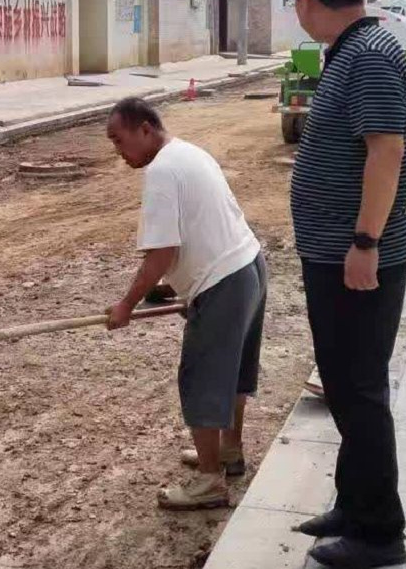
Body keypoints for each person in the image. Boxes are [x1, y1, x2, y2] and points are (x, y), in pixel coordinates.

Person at [288, 0, 406, 568]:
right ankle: (353, 501)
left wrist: (365, 242)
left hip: (357, 258)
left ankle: (379, 533)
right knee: (345, 385)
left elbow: (386, 151)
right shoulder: (352, 50)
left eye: (294, 0)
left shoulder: (369, 55)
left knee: (359, 391)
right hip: (336, 253)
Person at [104, 98, 266, 510]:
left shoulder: (161, 171)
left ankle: (210, 481)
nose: (118, 152)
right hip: (248, 266)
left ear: (145, 129)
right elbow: (202, 224)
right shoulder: (189, 152)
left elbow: (162, 252)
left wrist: (126, 305)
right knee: (232, 373)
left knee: (201, 379)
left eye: (119, 140)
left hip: (223, 283)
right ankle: (228, 451)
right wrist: (179, 289)